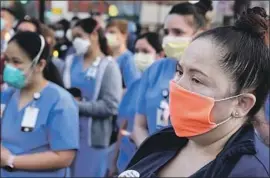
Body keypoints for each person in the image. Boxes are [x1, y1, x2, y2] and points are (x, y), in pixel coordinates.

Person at [119, 7, 270, 178]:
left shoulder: (250, 171)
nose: (177, 85)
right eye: (180, 71)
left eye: (197, 80)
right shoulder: (162, 140)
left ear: (242, 103)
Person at [133, 0, 213, 147]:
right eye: (166, 32)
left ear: (200, 35)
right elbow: (139, 126)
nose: (169, 38)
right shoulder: (155, 70)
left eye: (178, 32)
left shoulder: (212, 74)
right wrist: (149, 155)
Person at [0, 31, 79, 177]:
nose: (9, 67)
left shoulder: (60, 101)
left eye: (16, 62)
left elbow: (64, 156)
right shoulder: (7, 95)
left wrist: (12, 160)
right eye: (7, 60)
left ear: (40, 64)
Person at [62, 17, 122, 177]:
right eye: (73, 38)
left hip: (93, 142)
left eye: (79, 36)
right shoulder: (69, 62)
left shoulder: (109, 66)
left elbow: (111, 105)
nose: (76, 41)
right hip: (66, 138)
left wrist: (76, 106)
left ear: (94, 34)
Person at [110, 32, 164, 175]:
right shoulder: (134, 86)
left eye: (145, 51)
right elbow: (123, 125)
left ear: (160, 55)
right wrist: (113, 162)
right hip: (126, 161)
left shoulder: (165, 91)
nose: (140, 56)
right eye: (137, 51)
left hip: (151, 164)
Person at [105, 19, 140, 89]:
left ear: (124, 35)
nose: (107, 36)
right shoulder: (106, 56)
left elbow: (133, 87)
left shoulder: (128, 59)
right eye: (106, 33)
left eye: (112, 32)